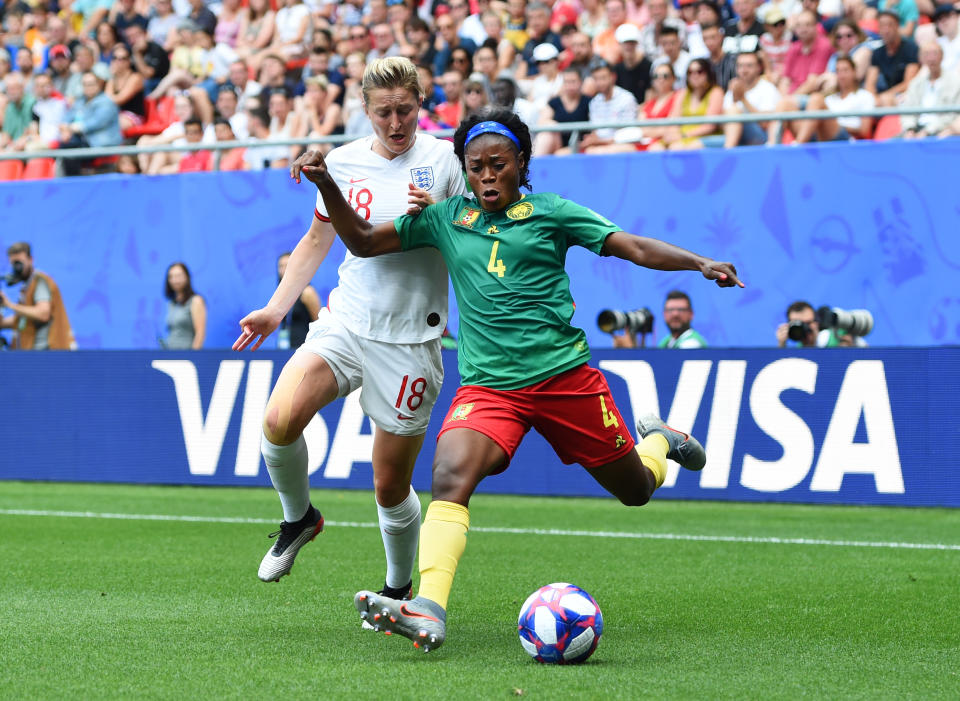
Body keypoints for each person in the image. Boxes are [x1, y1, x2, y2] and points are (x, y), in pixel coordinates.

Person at [296, 106, 743, 653]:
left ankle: (657, 441)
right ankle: (429, 607)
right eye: (476, 166)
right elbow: (363, 240)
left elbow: (633, 246)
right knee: (449, 475)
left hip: (565, 381)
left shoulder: (551, 213)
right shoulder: (444, 218)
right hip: (489, 387)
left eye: (498, 165)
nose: (486, 176)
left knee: (636, 492)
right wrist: (327, 185)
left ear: (521, 163)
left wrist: (700, 263)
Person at [232, 58, 468, 608]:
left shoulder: (445, 162)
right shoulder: (341, 162)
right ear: (364, 110)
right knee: (278, 420)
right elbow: (317, 240)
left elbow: (471, 237)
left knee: (389, 487)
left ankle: (397, 588)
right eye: (383, 111)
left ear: (420, 105)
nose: (395, 122)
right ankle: (300, 519)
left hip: (410, 339)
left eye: (405, 110)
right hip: (346, 321)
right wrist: (275, 308)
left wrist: (441, 216)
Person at [0, 242, 75, 351]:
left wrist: (10, 305)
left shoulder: (40, 281)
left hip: (47, 354)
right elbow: (24, 320)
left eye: (19, 263)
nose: (17, 269)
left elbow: (43, 313)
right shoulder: (26, 287)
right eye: (13, 264)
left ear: (31, 260)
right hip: (32, 355)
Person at [866, 11, 919, 107]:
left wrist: (886, 95)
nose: (886, 30)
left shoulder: (911, 48)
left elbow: (909, 83)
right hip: (884, 97)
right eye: (882, 26)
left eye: (890, 25)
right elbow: (870, 83)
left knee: (886, 100)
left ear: (897, 26)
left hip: (906, 95)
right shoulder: (877, 52)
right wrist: (873, 97)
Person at [275, 251, 320, 349]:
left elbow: (318, 324)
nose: (283, 270)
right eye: (281, 266)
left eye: (287, 265)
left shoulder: (307, 292)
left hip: (305, 349)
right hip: (284, 348)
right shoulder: (281, 295)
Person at [162, 261, 207, 349]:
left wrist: (192, 357)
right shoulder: (172, 303)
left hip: (186, 358)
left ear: (187, 277)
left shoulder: (196, 301)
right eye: (171, 277)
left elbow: (200, 333)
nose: (175, 280)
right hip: (170, 356)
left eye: (178, 276)